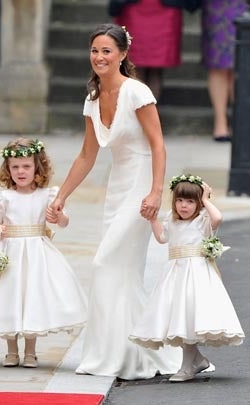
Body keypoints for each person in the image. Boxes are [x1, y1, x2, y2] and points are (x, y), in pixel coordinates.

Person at [48, 23, 181, 380]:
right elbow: (87, 156)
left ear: (123, 54)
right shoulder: (92, 99)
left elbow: (158, 144)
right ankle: (132, 353)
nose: (99, 57)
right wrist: (61, 196)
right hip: (117, 189)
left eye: (107, 51)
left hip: (140, 188)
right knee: (121, 273)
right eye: (95, 50)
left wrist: (155, 192)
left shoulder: (137, 92)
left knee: (105, 263)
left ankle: (133, 351)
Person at [0, 137, 87, 368]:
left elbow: (64, 221)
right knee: (8, 297)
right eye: (15, 167)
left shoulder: (48, 195)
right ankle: (11, 351)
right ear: (7, 169)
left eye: (26, 166)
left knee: (32, 297)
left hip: (37, 254)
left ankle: (30, 352)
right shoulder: (3, 195)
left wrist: (59, 217)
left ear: (37, 167)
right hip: (10, 251)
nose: (21, 172)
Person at [130, 174, 245, 382]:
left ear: (198, 203)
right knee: (181, 317)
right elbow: (162, 238)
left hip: (196, 274)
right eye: (180, 200)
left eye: (190, 201)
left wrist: (207, 199)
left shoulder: (202, 221)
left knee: (190, 314)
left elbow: (218, 218)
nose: (184, 206)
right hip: (175, 273)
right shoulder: (171, 221)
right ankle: (195, 361)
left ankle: (187, 366)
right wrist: (153, 219)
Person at [113, 0, 182, 100]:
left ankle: (147, 112)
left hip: (164, 10)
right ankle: (139, 111)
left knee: (155, 67)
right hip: (134, 9)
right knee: (136, 66)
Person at [201, 0, 247, 142]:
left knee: (243, 61)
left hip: (244, 5)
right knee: (218, 61)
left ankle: (240, 123)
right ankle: (220, 123)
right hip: (217, 6)